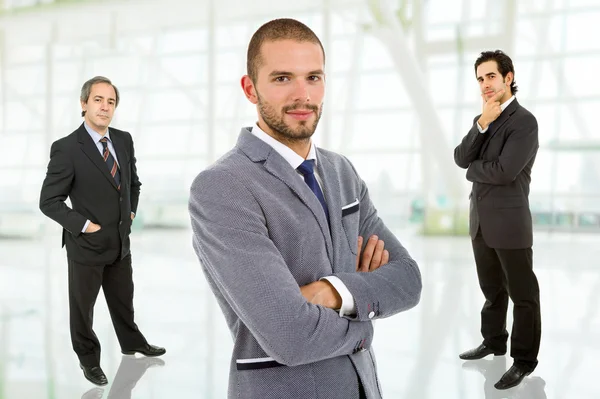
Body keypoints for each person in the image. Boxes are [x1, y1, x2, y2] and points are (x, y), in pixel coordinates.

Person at [188, 18, 422, 399]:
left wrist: (331, 292)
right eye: (283, 79)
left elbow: (408, 280)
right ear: (250, 89)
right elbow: (288, 333)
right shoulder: (223, 187)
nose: (303, 95)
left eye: (313, 77)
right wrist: (364, 322)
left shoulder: (341, 171)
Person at [39, 76, 165, 386]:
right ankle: (88, 359)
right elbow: (49, 201)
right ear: (84, 104)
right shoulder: (67, 148)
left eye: (110, 102)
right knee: (83, 309)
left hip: (120, 241)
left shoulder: (123, 140)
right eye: (98, 100)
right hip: (87, 244)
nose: (104, 107)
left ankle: (132, 342)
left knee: (123, 299)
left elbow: (133, 183)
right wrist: (84, 226)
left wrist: (131, 211)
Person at [454, 50, 541, 390]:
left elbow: (505, 171)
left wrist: (474, 170)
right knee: (492, 290)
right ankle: (493, 341)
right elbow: (461, 157)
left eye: (490, 76)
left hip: (510, 223)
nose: (485, 84)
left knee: (523, 294)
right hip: (481, 221)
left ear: (508, 77)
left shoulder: (524, 122)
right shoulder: (485, 118)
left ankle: (523, 360)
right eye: (480, 79)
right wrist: (481, 124)